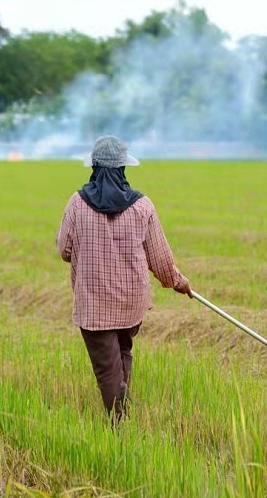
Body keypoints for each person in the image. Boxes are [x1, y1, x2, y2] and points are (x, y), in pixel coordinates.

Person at [56, 135, 191, 423]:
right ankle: (122, 400)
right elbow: (161, 259)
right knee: (122, 350)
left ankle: (119, 422)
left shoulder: (77, 204)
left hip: (94, 304)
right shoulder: (142, 206)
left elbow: (64, 250)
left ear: (93, 167)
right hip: (131, 302)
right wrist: (179, 282)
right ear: (122, 169)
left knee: (106, 366)